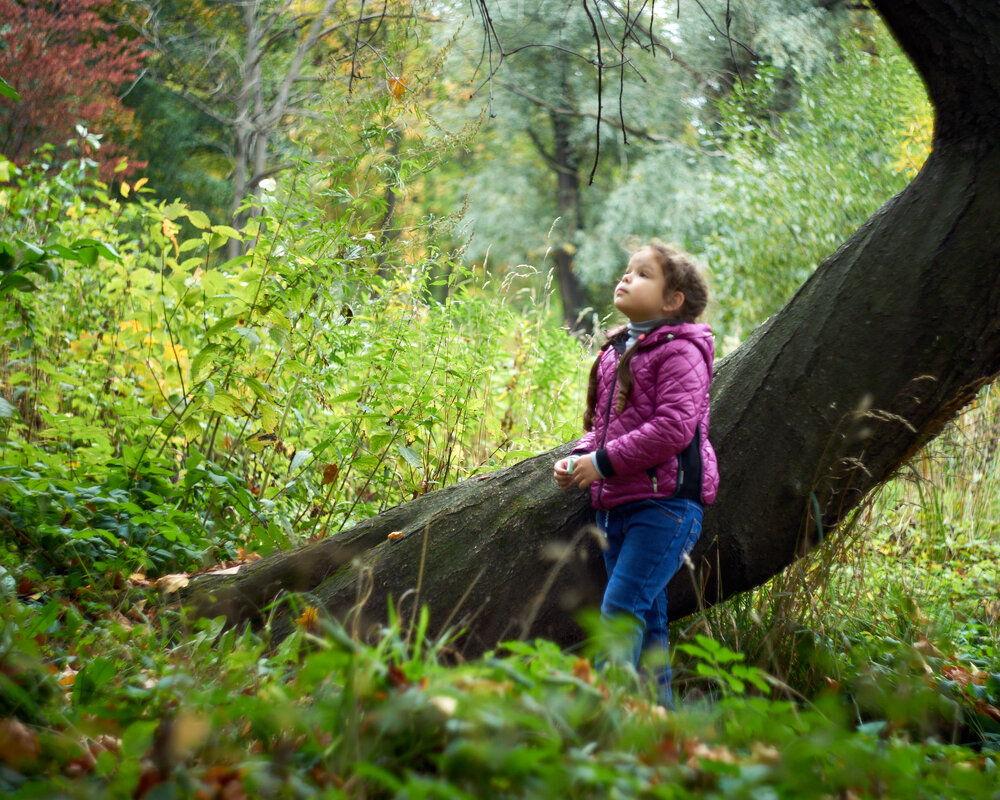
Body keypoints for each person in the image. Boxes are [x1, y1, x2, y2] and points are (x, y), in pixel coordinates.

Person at [553, 240, 718, 706]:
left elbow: (672, 428)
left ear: (673, 301)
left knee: (620, 612)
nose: (626, 278)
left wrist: (600, 464)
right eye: (627, 270)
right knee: (647, 622)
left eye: (643, 273)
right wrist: (579, 457)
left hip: (665, 507)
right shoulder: (616, 351)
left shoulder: (681, 351)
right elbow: (603, 428)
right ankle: (654, 725)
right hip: (619, 505)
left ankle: (599, 714)